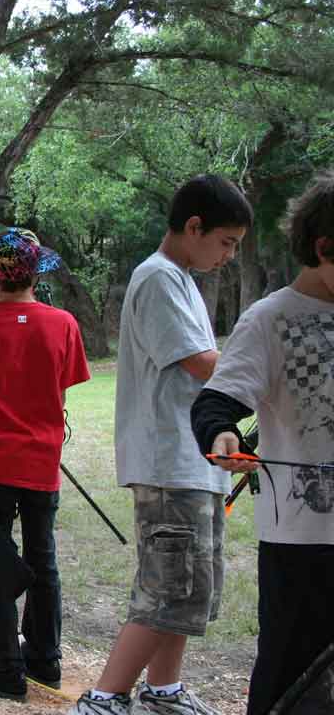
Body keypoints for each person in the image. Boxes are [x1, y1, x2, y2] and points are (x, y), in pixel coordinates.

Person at [70, 174, 252, 715]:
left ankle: (163, 691)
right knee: (166, 585)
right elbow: (200, 362)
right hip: (169, 464)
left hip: (192, 463)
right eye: (226, 242)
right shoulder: (157, 279)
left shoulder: (182, 280)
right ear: (193, 227)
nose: (229, 256)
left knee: (188, 588)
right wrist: (264, 373)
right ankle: (103, 699)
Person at [192, 171, 334, 714]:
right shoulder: (271, 320)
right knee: (289, 677)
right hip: (303, 544)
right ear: (324, 247)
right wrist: (223, 436)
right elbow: (215, 404)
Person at [0, 228, 91, 700]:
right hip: (41, 459)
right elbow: (64, 383)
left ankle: (7, 666)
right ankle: (45, 659)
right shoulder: (64, 323)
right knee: (42, 560)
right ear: (36, 272)